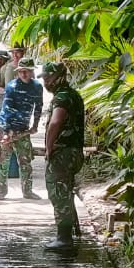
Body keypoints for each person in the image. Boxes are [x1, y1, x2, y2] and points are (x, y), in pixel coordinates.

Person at [40, 61, 87, 245]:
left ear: (59, 77)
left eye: (48, 78)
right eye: (44, 78)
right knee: (65, 191)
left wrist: (49, 147)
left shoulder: (62, 97)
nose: (46, 82)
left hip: (62, 154)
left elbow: (56, 122)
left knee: (58, 193)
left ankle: (64, 238)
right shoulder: (73, 95)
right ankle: (72, 231)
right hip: (74, 152)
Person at [0, 58, 44, 201]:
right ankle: (0, 192)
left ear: (32, 71)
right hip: (7, 128)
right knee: (3, 161)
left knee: (25, 162)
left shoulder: (37, 87)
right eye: (21, 71)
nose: (23, 74)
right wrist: (6, 132)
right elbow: (7, 109)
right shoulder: (12, 86)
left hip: (23, 130)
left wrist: (35, 125)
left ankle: (27, 191)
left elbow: (38, 107)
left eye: (26, 71)